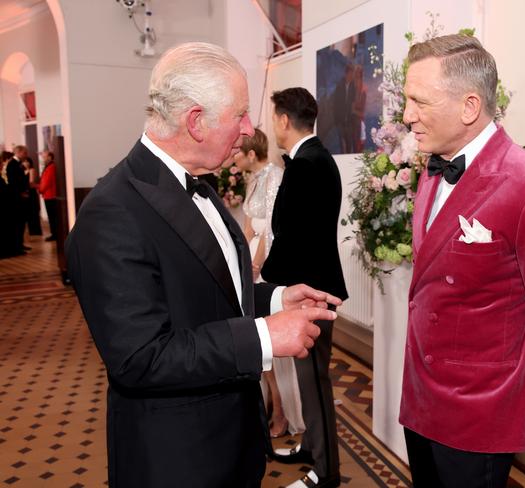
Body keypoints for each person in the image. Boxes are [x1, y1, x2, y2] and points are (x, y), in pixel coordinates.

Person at [65, 42, 342, 488]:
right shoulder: (111, 213)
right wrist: (262, 336)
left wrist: (274, 298)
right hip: (178, 457)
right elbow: (141, 357)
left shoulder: (197, 183)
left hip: (233, 439)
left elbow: (210, 288)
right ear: (195, 121)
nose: (250, 129)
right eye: (240, 115)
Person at [399, 34, 525, 488]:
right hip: (420, 397)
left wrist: (516, 381)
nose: (407, 117)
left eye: (418, 101)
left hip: (478, 415)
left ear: (468, 108)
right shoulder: (431, 170)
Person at [262, 87, 348, 488]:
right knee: (310, 378)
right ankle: (313, 447)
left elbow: (290, 234)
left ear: (283, 119)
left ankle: (326, 470)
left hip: (309, 289)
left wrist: (267, 279)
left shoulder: (305, 164)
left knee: (314, 382)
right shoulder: (320, 158)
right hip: (315, 283)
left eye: (273, 116)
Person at [233, 128, 305, 438]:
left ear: (251, 153)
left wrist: (256, 265)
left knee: (273, 345)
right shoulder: (253, 179)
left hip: (266, 264)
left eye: (239, 152)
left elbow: (272, 229)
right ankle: (264, 405)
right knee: (258, 341)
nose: (234, 157)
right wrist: (238, 259)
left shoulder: (276, 176)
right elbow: (248, 227)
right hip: (250, 260)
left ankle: (283, 411)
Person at [5, 145, 30, 253]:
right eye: (25, 153)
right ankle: (17, 246)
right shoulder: (12, 164)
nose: (26, 155)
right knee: (18, 223)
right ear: (18, 152)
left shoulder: (18, 164)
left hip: (21, 197)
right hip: (16, 199)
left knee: (22, 222)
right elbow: (13, 182)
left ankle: (20, 243)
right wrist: (21, 193)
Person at [38, 150, 57, 241]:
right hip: (48, 195)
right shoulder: (49, 166)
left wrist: (40, 189)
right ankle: (54, 233)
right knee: (51, 216)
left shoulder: (51, 167)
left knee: (53, 216)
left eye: (44, 157)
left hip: (50, 195)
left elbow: (46, 182)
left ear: (50, 157)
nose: (43, 159)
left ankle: (55, 234)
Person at [22, 156, 42, 236]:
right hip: (26, 192)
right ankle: (31, 231)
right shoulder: (22, 170)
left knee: (33, 210)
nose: (26, 163)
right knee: (29, 212)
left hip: (31, 192)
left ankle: (35, 231)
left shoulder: (31, 170)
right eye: (24, 161)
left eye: (27, 161)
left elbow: (31, 182)